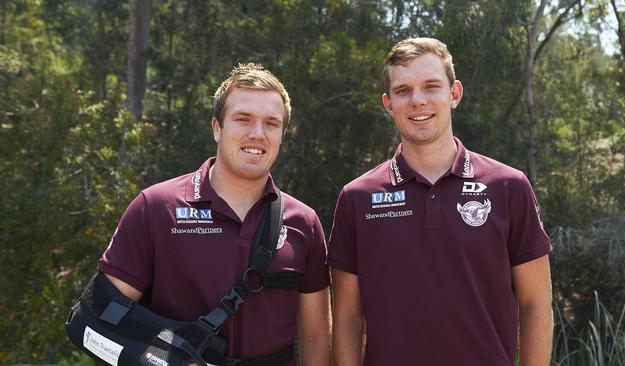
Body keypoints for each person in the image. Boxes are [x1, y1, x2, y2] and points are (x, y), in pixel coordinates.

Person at [328, 38, 553, 365]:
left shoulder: (509, 187)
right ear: (388, 103)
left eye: (431, 86)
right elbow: (347, 317)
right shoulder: (357, 198)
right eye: (403, 91)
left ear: (454, 93)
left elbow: (536, 303)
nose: (417, 100)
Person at [99, 63, 331, 365]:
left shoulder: (305, 223)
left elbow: (315, 338)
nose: (257, 134)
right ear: (217, 128)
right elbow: (102, 316)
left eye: (271, 123)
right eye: (243, 119)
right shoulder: (155, 208)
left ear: (282, 135)